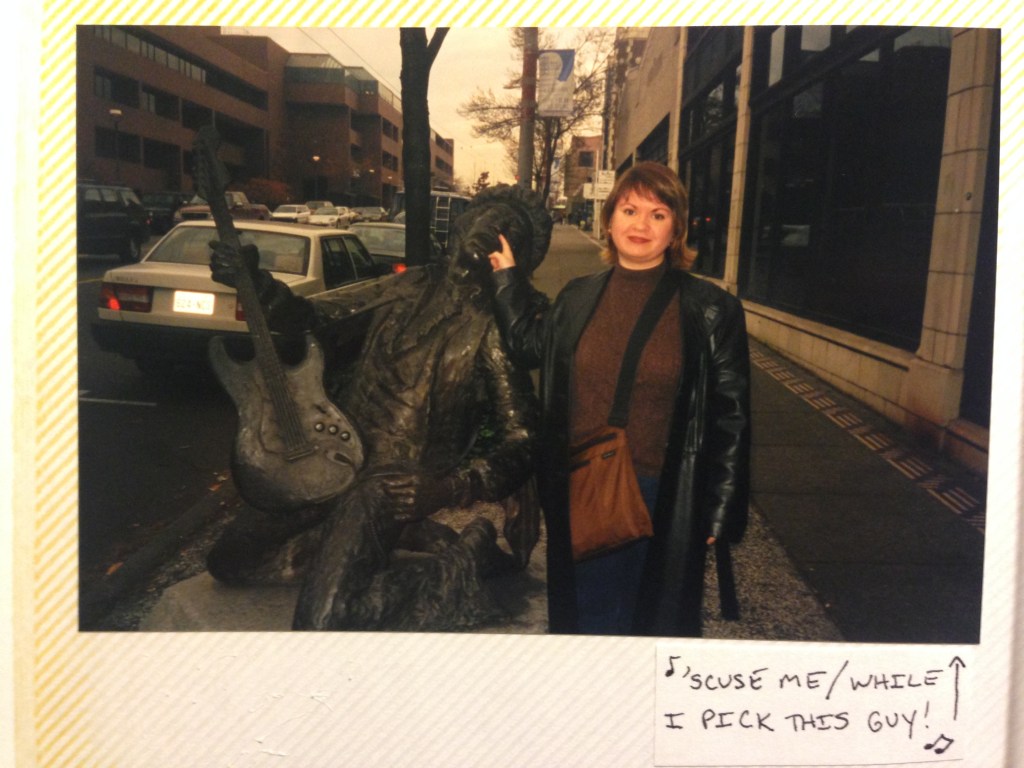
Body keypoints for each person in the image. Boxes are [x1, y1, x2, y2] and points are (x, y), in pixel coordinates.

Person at [205, 184, 552, 631]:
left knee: (325, 616)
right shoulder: (407, 284)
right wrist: (258, 287)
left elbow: (523, 437)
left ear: (514, 260)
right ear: (460, 223)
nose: (493, 230)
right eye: (487, 217)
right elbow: (318, 319)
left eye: (510, 231)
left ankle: (464, 559)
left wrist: (450, 489)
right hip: (334, 457)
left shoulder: (492, 329)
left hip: (393, 482)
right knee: (231, 560)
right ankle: (369, 545)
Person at [488, 161, 751, 637]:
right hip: (584, 483)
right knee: (587, 617)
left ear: (676, 229)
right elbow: (530, 345)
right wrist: (508, 279)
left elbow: (731, 414)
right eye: (630, 210)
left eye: (658, 214)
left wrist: (722, 506)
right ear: (609, 220)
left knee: (652, 621)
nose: (641, 225)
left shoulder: (710, 309)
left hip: (661, 488)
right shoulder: (577, 296)